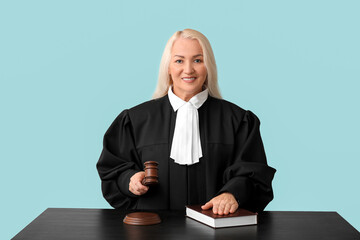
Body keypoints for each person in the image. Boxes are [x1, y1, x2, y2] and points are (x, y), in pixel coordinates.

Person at [96, 29, 276, 215]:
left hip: (216, 231)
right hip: (153, 231)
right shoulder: (135, 120)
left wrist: (232, 194)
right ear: (168, 67)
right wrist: (130, 180)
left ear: (209, 66)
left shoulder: (238, 121)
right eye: (179, 61)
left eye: (198, 60)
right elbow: (113, 169)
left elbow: (255, 174)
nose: (188, 69)